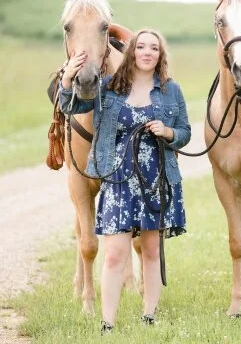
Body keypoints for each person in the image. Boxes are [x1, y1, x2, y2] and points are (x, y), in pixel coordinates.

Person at [58, 29, 191, 333]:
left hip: (156, 178)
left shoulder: (172, 91)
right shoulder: (109, 88)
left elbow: (184, 133)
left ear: (160, 55)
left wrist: (169, 133)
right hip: (119, 179)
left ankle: (150, 315)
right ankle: (108, 322)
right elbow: (70, 107)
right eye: (141, 46)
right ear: (132, 51)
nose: (147, 52)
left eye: (153, 48)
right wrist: (68, 77)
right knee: (115, 253)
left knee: (151, 251)